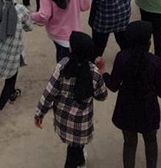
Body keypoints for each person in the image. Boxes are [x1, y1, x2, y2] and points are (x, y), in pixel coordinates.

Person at [34, 31, 109, 168]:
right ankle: (79, 162)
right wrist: (102, 70)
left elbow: (49, 92)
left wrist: (40, 113)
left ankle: (80, 161)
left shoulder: (63, 66)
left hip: (63, 118)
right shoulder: (94, 72)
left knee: (74, 148)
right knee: (74, 149)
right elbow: (102, 95)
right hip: (82, 122)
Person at [103, 20, 161, 168]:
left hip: (127, 108)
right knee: (151, 141)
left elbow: (113, 86)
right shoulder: (155, 62)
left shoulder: (122, 58)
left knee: (129, 143)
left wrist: (103, 72)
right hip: (148, 109)